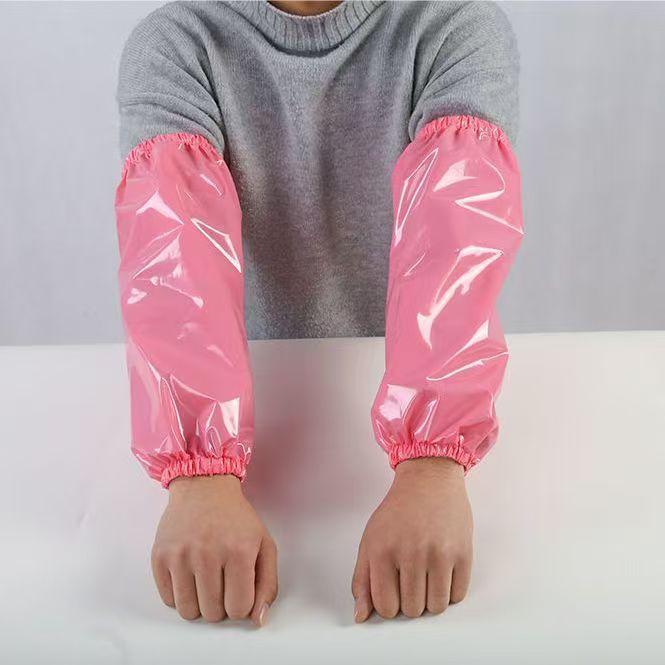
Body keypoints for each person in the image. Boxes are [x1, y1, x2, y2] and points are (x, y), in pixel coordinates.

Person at [114, 0, 523, 627]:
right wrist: (199, 477)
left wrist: (432, 466)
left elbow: (457, 234)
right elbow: (173, 247)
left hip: (382, 405)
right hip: (260, 399)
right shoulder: (177, 44)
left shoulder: (452, 26)